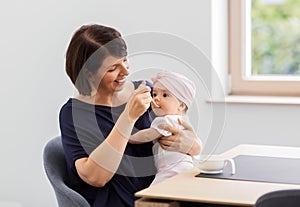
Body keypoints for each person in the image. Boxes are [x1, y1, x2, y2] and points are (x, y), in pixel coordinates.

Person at [59, 24, 202, 207]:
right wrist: (128, 117)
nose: (125, 71)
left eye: (125, 60)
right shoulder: (74, 114)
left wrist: (194, 145)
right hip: (122, 201)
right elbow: (96, 177)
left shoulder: (146, 92)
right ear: (89, 74)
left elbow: (179, 130)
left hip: (166, 193)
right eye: (113, 68)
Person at [129, 71, 200, 185]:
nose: (156, 99)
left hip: (171, 169)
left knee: (153, 193)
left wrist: (129, 137)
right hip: (185, 166)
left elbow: (147, 135)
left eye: (165, 95)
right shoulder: (183, 121)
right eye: (155, 94)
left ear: (181, 105)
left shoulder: (165, 120)